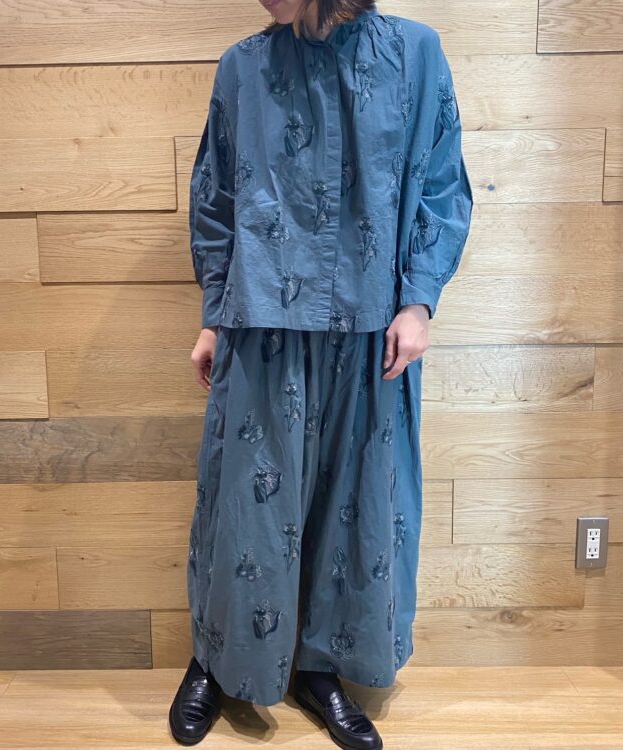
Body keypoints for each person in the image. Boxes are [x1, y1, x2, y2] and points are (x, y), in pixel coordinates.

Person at [169, 0, 473, 746]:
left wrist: (419, 301)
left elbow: (441, 182)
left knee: (356, 508)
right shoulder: (243, 67)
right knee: (242, 507)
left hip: (370, 333)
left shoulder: (415, 55)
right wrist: (214, 314)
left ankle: (320, 668)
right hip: (261, 325)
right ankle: (218, 660)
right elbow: (216, 198)